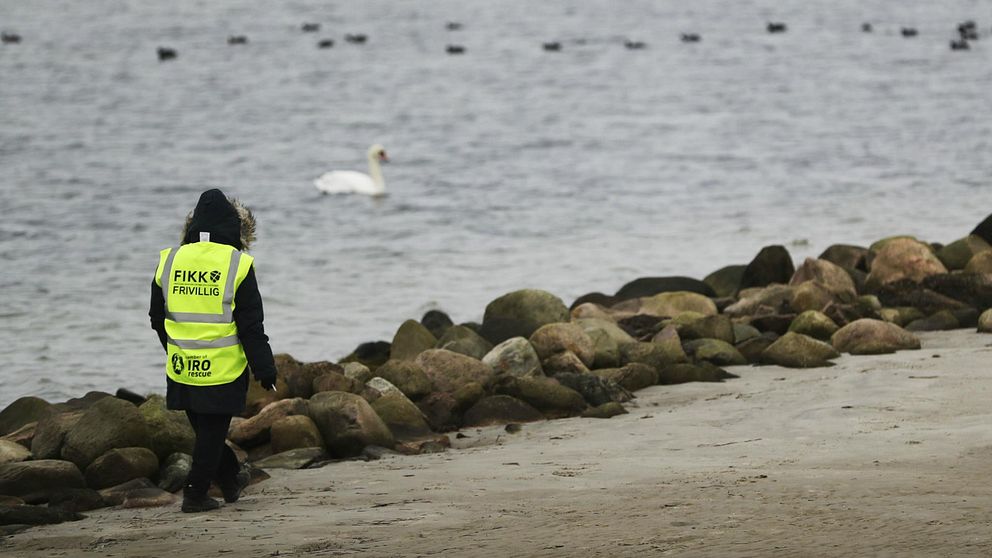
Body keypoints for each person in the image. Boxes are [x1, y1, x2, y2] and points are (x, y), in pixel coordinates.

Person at [149, 189, 277, 513]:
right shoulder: (238, 264)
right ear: (235, 228)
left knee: (208, 434)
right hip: (222, 368)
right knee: (210, 434)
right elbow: (250, 326)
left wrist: (174, 346)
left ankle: (231, 480)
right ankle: (194, 494)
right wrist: (264, 368)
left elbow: (156, 316)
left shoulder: (170, 259)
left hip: (181, 366)